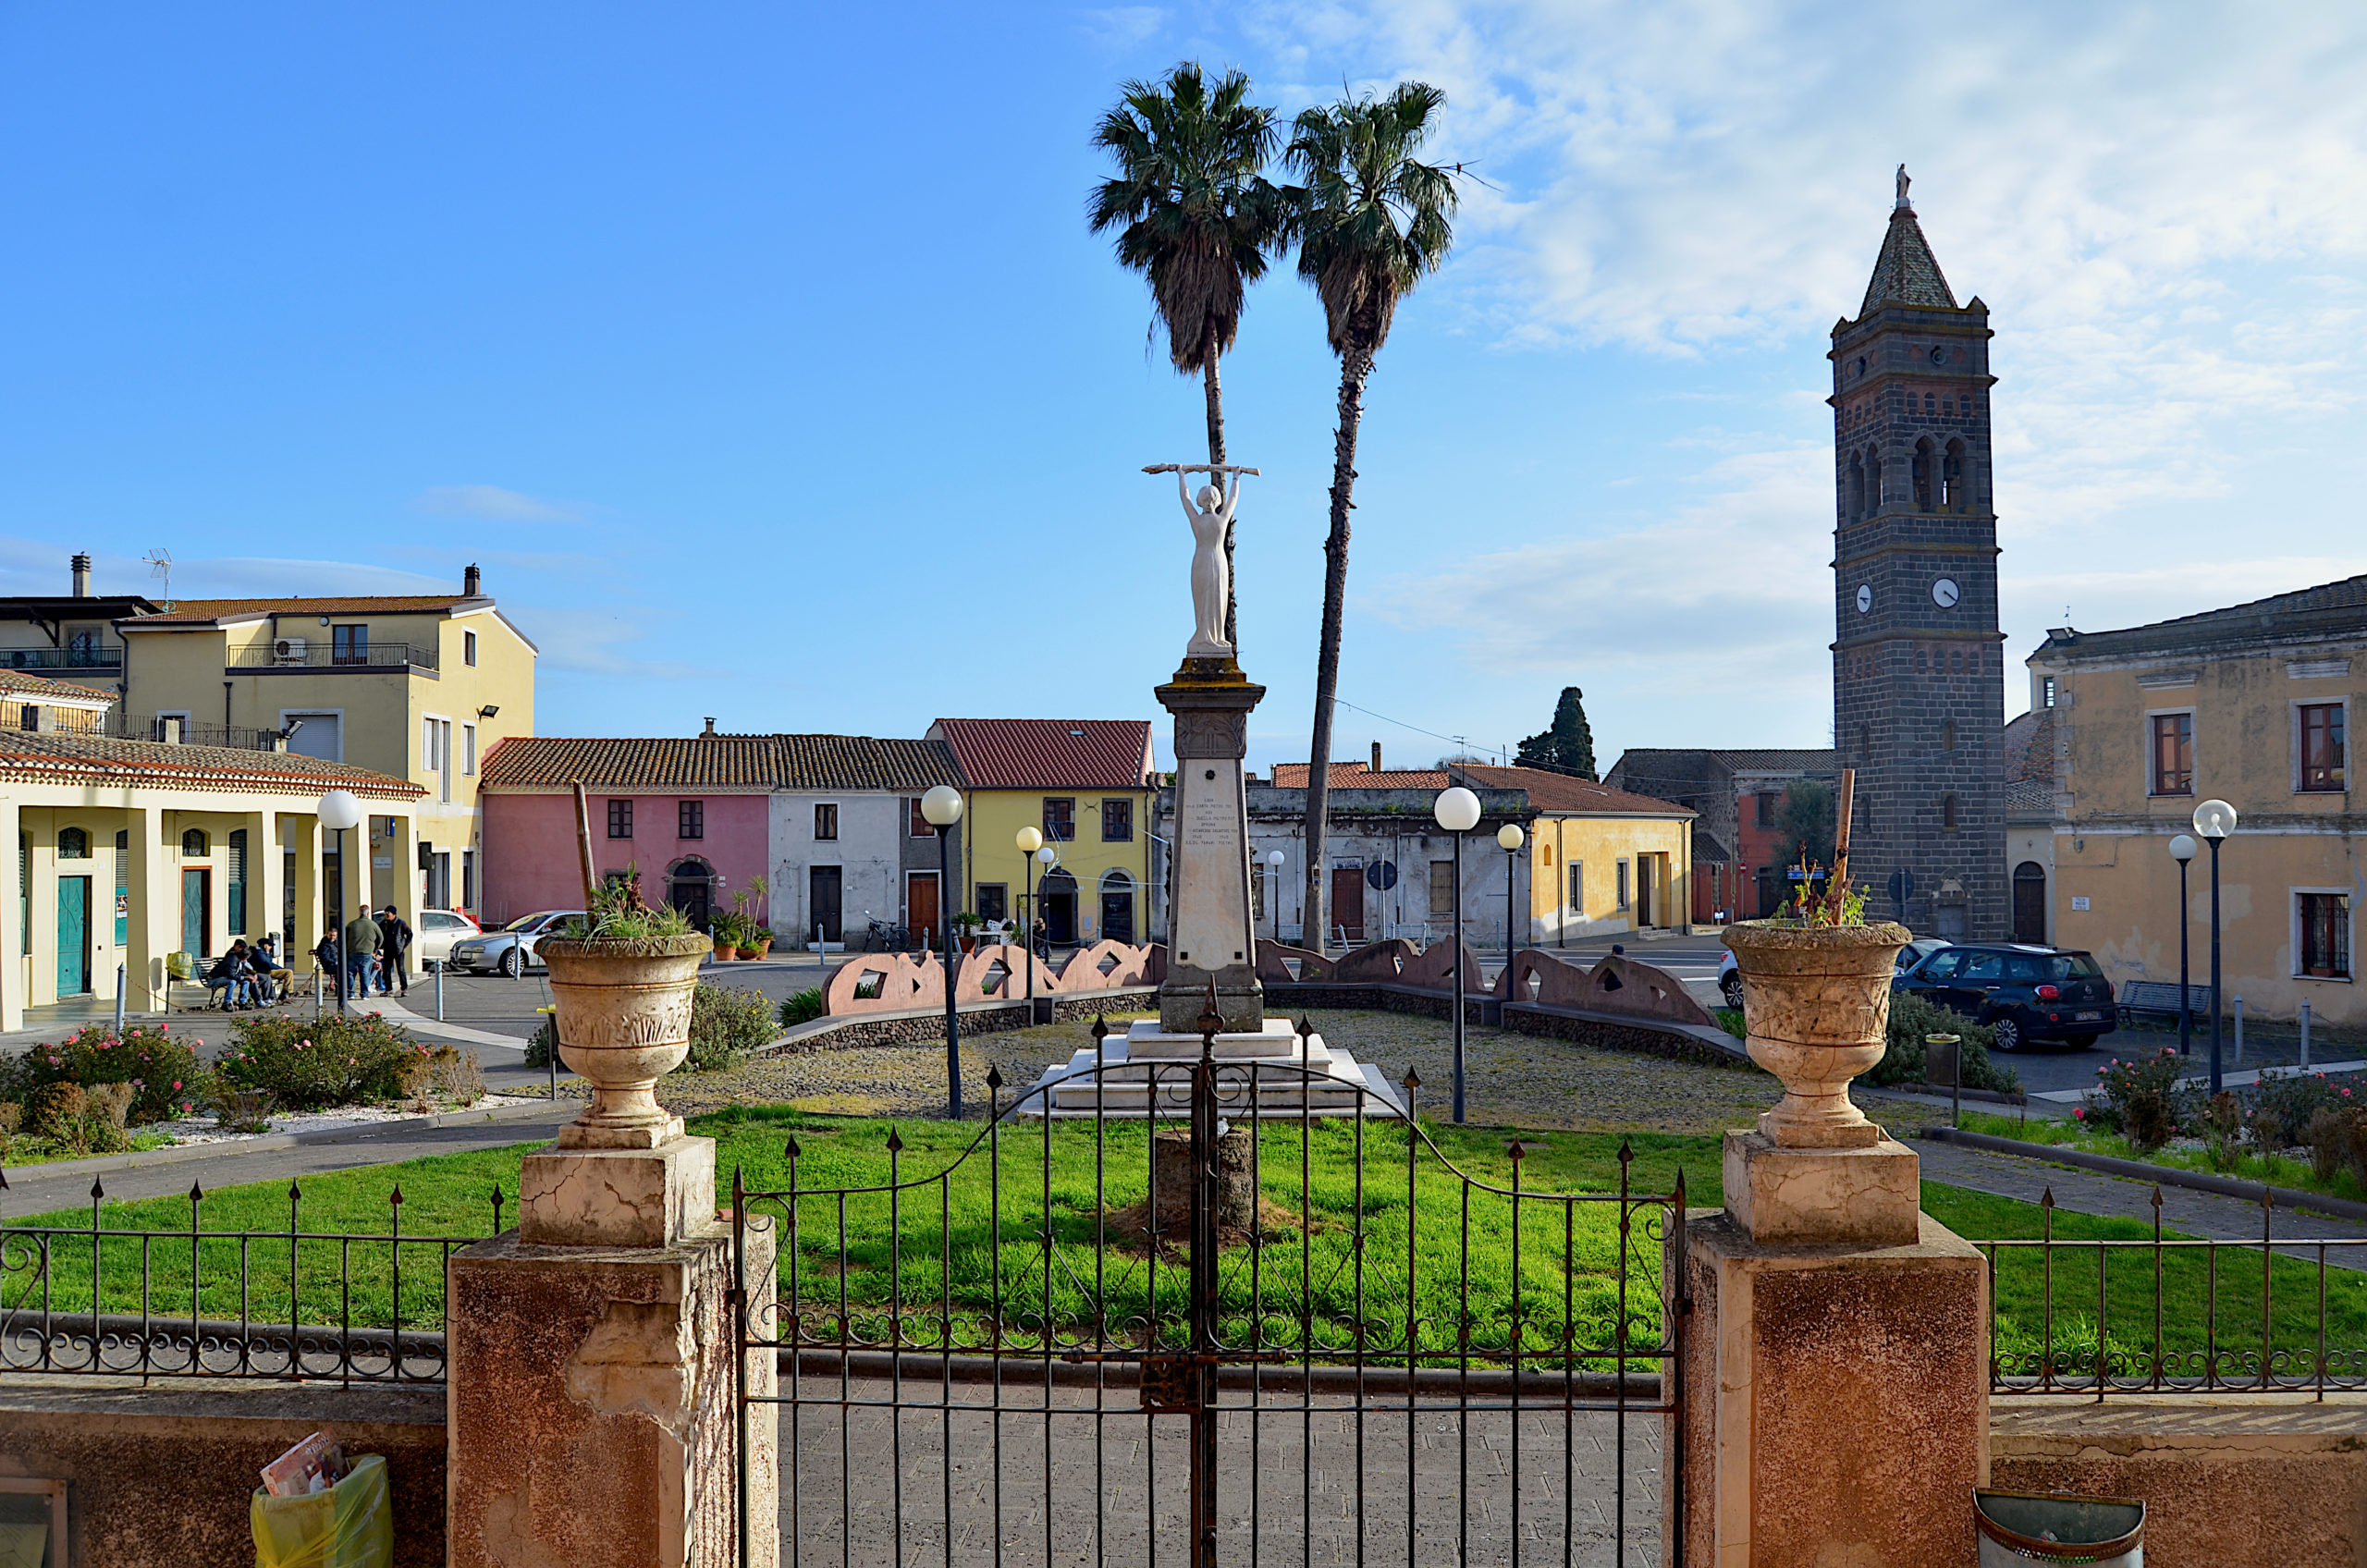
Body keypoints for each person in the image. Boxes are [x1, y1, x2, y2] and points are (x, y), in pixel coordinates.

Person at [344, 903, 382, 999]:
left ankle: (350, 993)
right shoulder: (373, 925)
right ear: (368, 913)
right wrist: (375, 949)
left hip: (352, 952)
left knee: (350, 973)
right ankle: (364, 994)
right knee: (365, 973)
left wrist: (347, 948)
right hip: (366, 953)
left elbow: (344, 937)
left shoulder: (352, 924)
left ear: (359, 912)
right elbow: (381, 938)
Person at [375, 904, 414, 997]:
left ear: (394, 914)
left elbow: (410, 934)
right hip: (387, 949)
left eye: (388, 913)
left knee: (401, 970)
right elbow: (378, 932)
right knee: (386, 970)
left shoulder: (401, 923)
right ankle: (388, 989)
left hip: (398, 950)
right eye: (385, 913)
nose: (386, 915)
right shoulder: (384, 923)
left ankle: (404, 989)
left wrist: (405, 946)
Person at [204, 941, 252, 1011]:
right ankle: (227, 1003)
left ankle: (243, 1002)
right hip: (213, 979)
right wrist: (244, 977)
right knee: (232, 982)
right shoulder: (233, 959)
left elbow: (242, 972)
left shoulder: (239, 960)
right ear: (244, 958)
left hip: (225, 977)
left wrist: (249, 976)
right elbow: (231, 975)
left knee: (246, 981)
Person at [251, 934, 292, 1004]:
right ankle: (286, 993)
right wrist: (280, 969)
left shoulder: (262, 953)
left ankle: (286, 993)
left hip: (265, 971)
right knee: (289, 972)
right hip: (264, 972)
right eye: (270, 945)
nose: (271, 947)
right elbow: (268, 964)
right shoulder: (260, 953)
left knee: (288, 972)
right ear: (265, 945)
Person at [313, 923, 343, 1003]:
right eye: (331, 935)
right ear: (327, 934)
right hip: (329, 965)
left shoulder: (337, 943)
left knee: (350, 968)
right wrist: (335, 962)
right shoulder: (324, 944)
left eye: (334, 935)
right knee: (341, 970)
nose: (332, 937)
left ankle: (347, 990)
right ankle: (340, 991)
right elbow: (325, 958)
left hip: (337, 964)